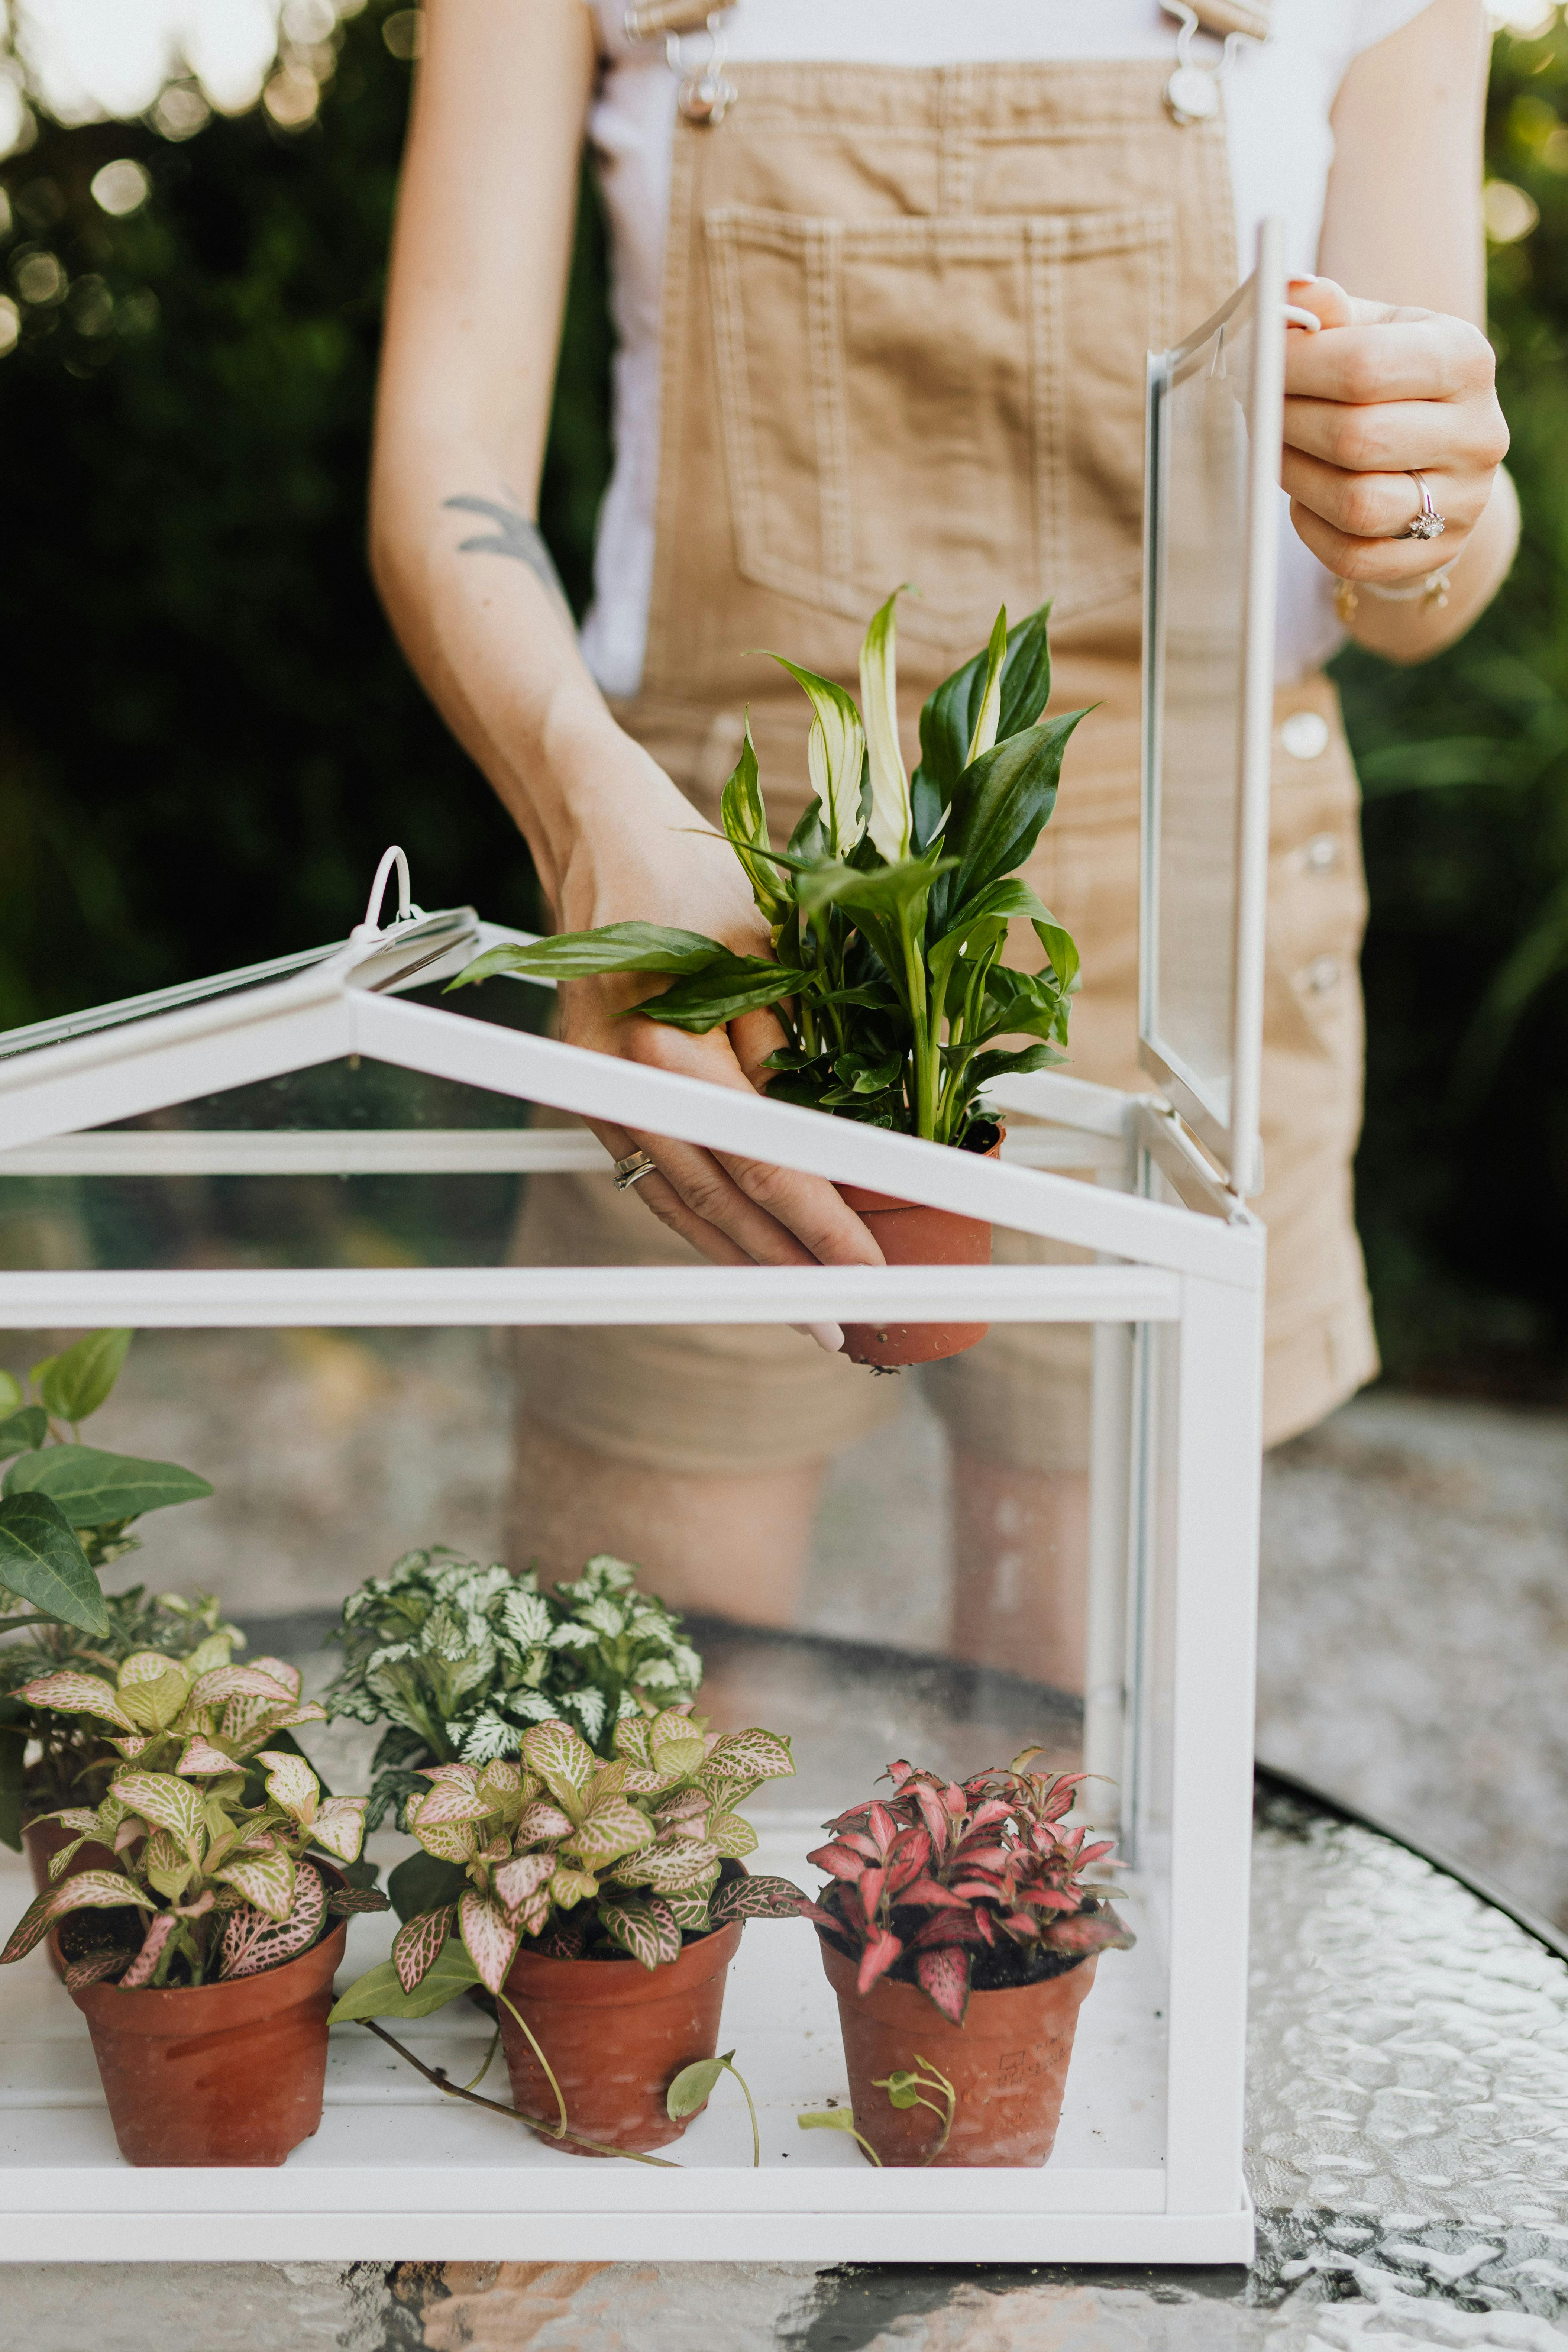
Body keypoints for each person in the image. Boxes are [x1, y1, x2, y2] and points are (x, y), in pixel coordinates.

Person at [370, 0, 1513, 1688]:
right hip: (715, 920)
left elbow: (1425, 587)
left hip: (1165, 935)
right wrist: (588, 815)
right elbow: (445, 455)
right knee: (624, 1739)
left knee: (1072, 1780)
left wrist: (1418, 501)